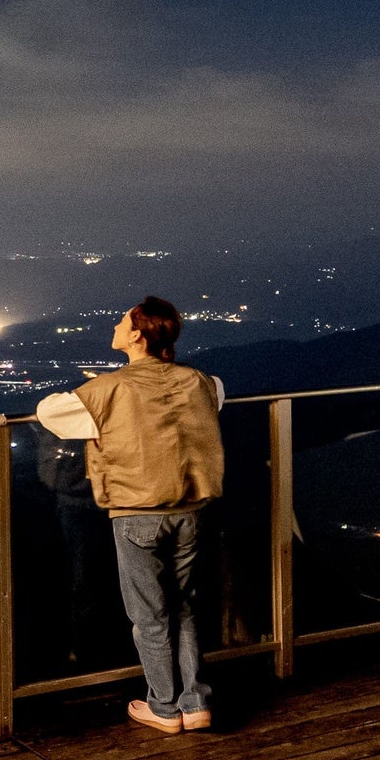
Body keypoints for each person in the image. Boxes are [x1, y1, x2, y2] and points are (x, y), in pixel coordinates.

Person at [75, 293, 226, 732]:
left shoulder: (109, 387)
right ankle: (196, 702)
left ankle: (163, 707)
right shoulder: (197, 381)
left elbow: (53, 414)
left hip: (136, 511)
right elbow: (217, 391)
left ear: (137, 336)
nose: (115, 327)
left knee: (148, 614)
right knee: (185, 606)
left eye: (122, 322)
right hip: (191, 509)